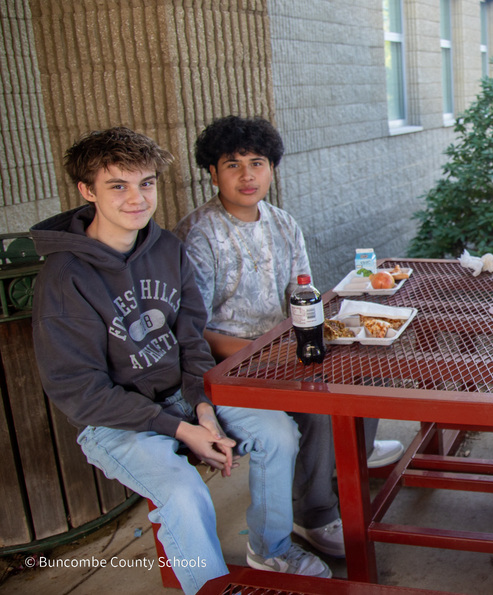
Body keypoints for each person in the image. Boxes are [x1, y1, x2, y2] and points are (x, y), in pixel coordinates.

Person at [30, 128, 332, 594]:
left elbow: (190, 339)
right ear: (87, 192)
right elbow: (79, 392)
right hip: (114, 421)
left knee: (277, 433)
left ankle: (271, 549)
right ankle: (209, 587)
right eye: (118, 186)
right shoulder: (64, 279)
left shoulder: (165, 249)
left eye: (146, 183)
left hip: (184, 396)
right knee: (184, 494)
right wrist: (181, 428)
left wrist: (202, 405)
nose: (137, 198)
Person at [173, 115, 404, 559]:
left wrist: (317, 335)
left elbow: (301, 295)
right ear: (212, 172)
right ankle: (313, 513)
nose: (247, 176)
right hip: (229, 363)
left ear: (272, 169)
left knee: (368, 366)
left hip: (282, 347)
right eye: (232, 164)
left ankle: (348, 467)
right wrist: (273, 350)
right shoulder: (200, 234)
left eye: (257, 163)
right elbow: (193, 330)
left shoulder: (283, 223)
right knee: (316, 407)